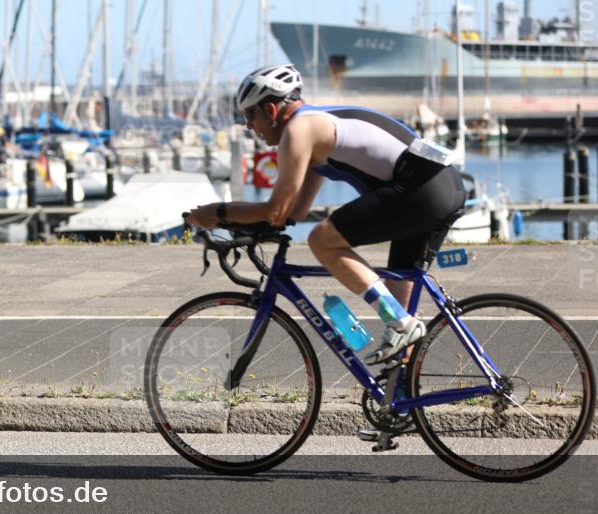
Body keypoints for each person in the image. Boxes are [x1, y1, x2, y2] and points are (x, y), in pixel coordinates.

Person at [185, 63, 467, 364]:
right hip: (438, 185)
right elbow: (294, 211)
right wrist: (244, 222)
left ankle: (403, 325)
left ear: (270, 109)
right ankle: (400, 389)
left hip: (422, 190)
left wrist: (217, 213)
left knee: (322, 240)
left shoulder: (299, 130)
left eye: (250, 116)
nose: (248, 126)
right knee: (400, 308)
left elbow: (276, 211)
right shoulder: (314, 125)